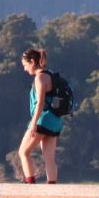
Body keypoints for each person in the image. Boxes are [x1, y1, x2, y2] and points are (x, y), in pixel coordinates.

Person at [16, 47, 62, 184]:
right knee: (49, 157)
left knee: (23, 152)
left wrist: (34, 124)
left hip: (43, 120)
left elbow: (40, 103)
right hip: (55, 121)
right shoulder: (51, 74)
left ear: (32, 61)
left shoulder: (40, 77)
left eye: (25, 65)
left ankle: (30, 184)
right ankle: (52, 188)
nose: (25, 69)